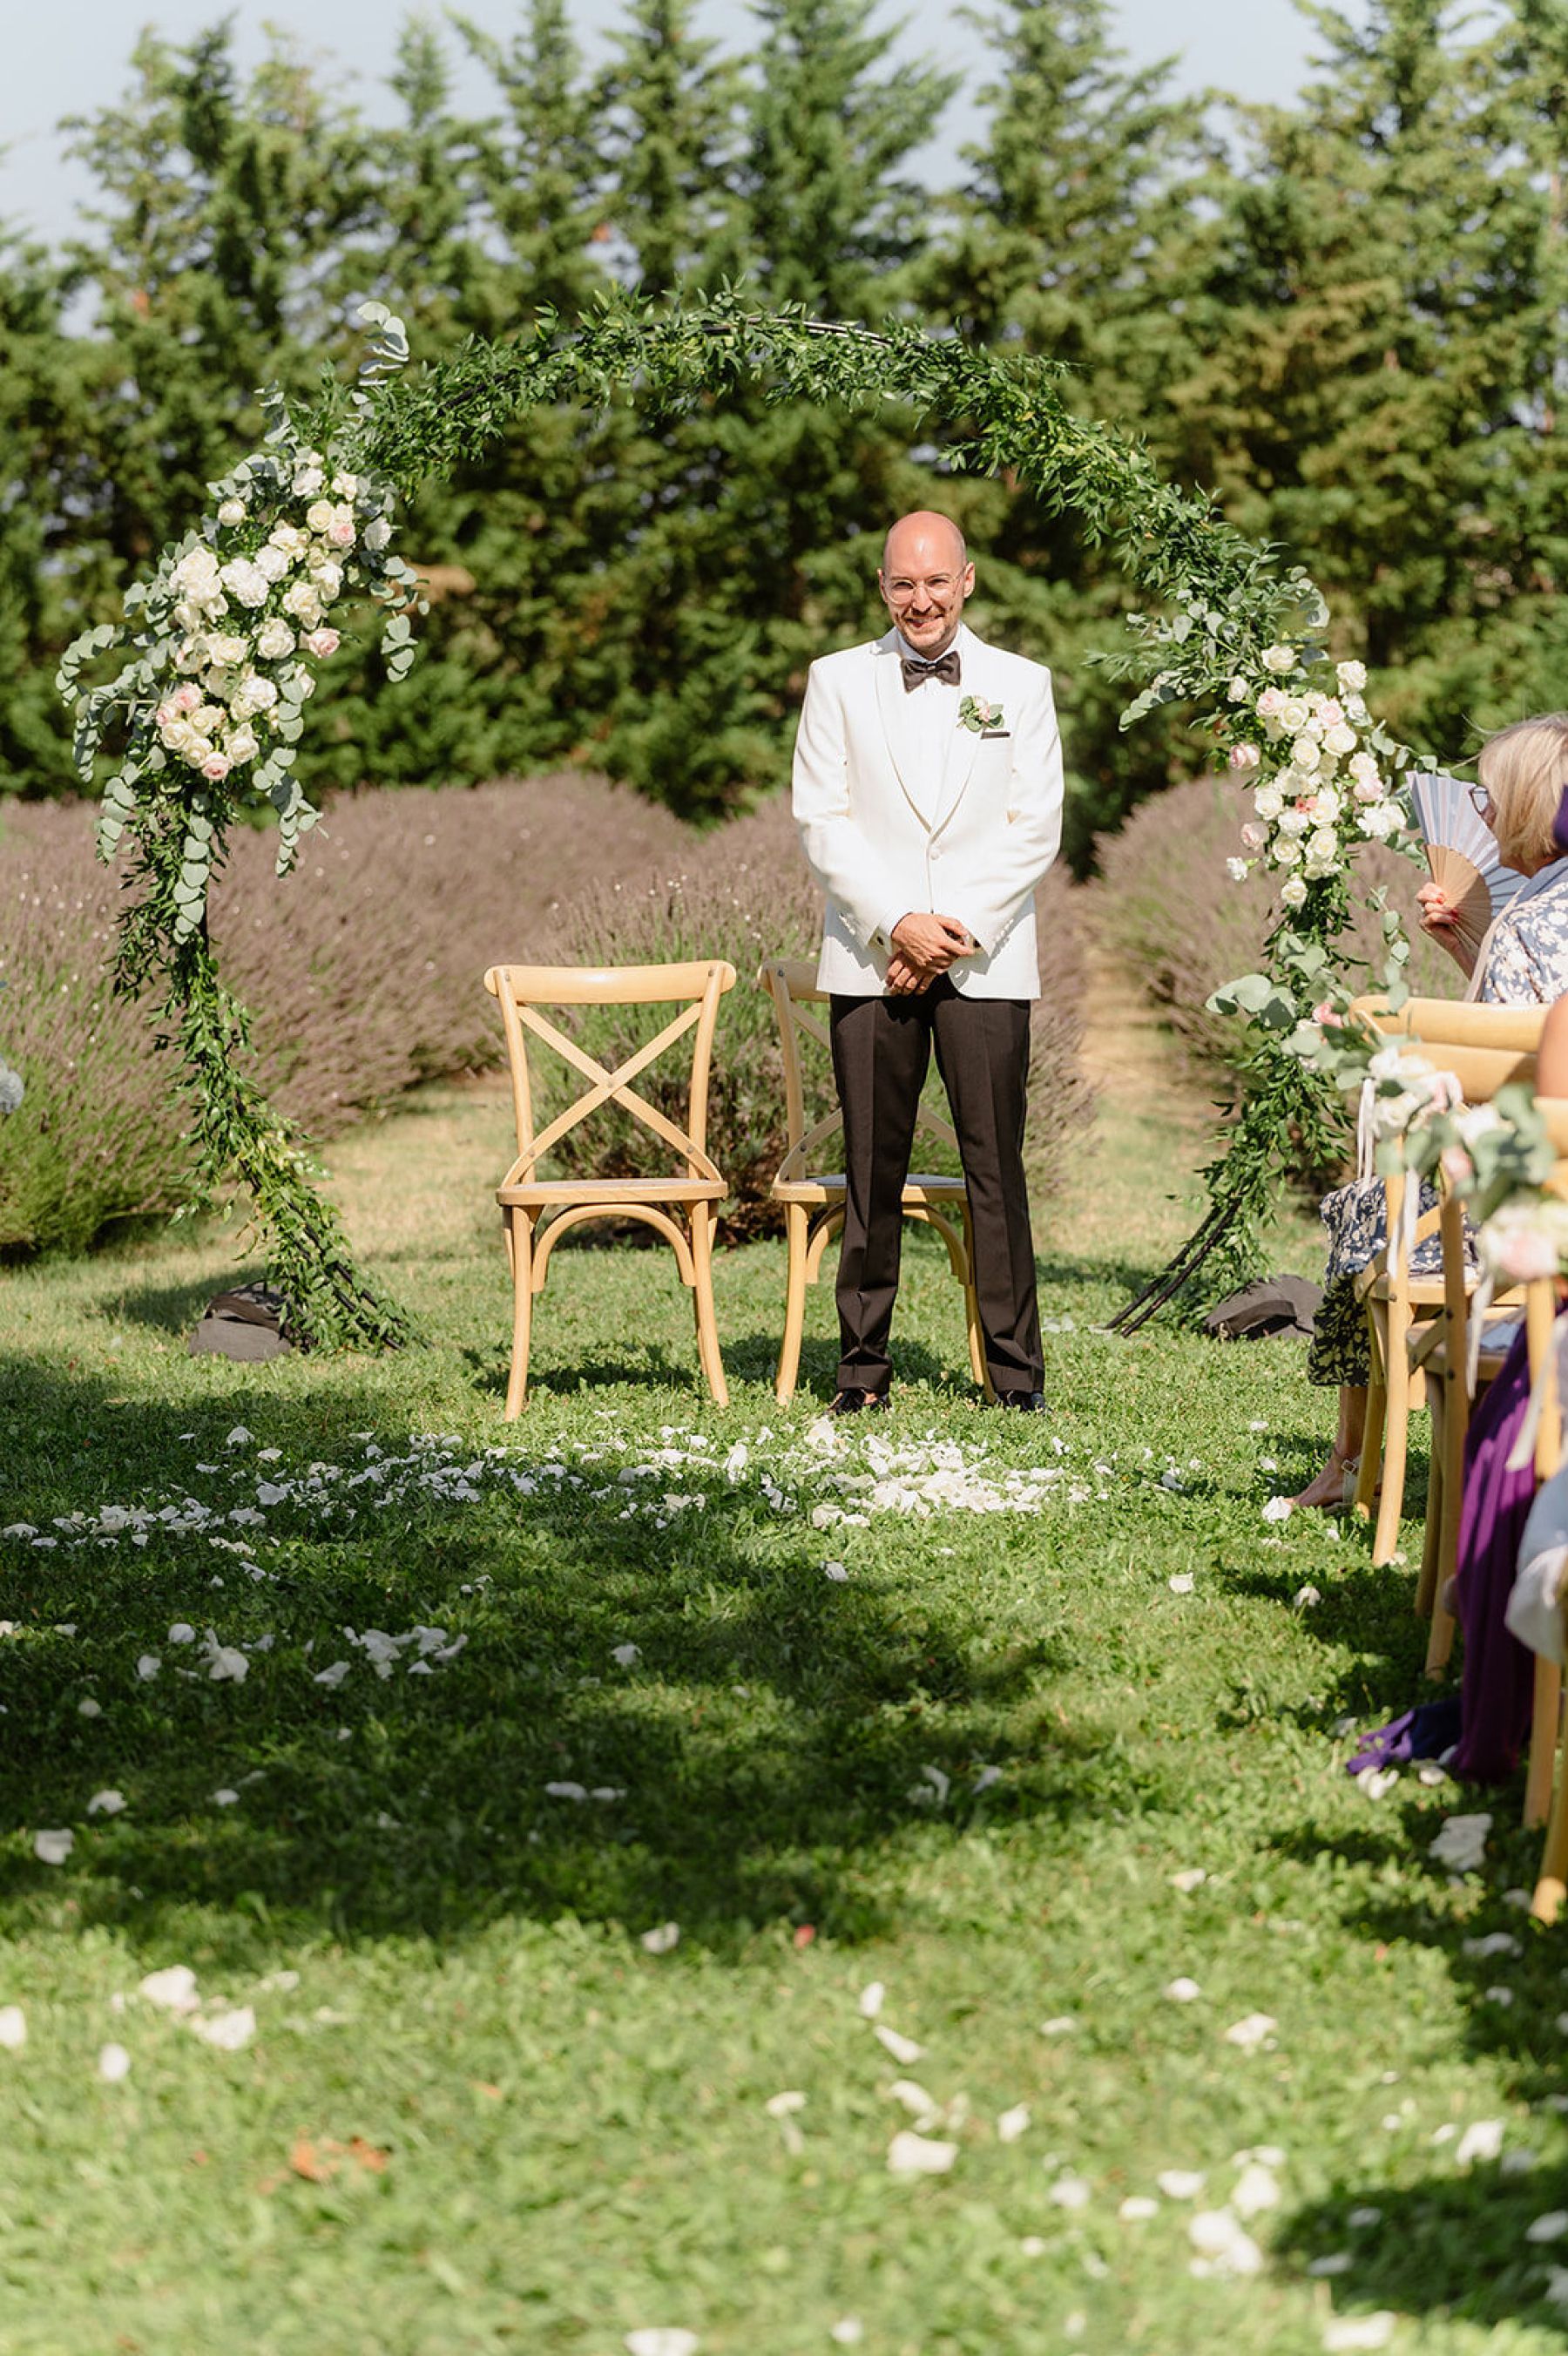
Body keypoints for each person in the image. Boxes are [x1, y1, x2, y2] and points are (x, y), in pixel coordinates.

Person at [790, 511, 1064, 1413]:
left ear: (968, 580)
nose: (921, 600)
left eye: (936, 581)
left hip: (986, 961)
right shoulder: (835, 681)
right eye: (903, 584)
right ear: (882, 587)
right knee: (872, 1169)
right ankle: (861, 1373)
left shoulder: (1021, 686)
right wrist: (895, 924)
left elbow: (1037, 829)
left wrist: (951, 932)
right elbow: (820, 820)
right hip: (871, 959)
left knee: (996, 1170)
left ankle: (1014, 1379)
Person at [1296, 713, 1568, 1507]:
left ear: (1526, 808)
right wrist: (1468, 953)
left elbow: (1507, 1080)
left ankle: (1354, 1459)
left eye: (1489, 803)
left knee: (1365, 1203)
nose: (1479, 820)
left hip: (1514, 1198)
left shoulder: (1525, 924)